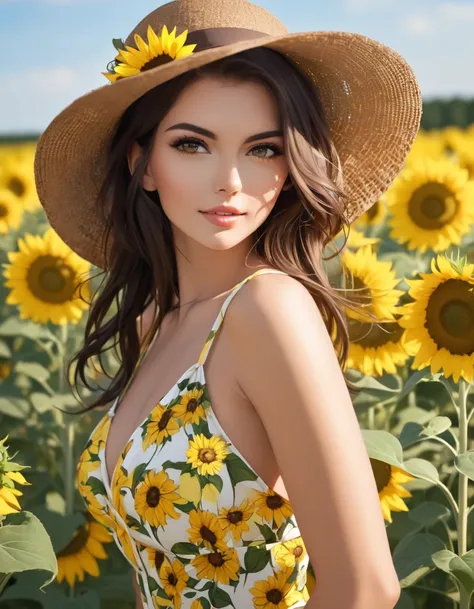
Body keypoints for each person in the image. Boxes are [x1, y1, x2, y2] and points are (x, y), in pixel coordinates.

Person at [34, 0, 422, 607]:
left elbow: (364, 589)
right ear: (145, 164)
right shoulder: (155, 323)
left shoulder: (267, 310)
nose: (232, 182)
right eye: (194, 144)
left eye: (263, 149)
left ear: (292, 167)